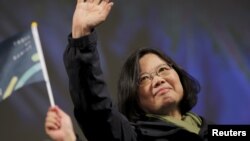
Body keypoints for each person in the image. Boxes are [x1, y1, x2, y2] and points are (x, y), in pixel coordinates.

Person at [45, 0, 208, 141]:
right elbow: (97, 110)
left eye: (163, 69)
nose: (158, 80)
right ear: (135, 98)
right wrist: (82, 37)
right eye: (144, 78)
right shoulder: (133, 137)